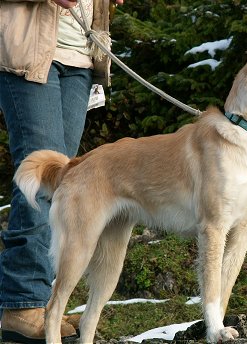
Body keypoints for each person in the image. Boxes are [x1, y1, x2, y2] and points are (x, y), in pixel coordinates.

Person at [0, 0, 123, 342]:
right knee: (39, 177)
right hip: (28, 50)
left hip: (79, 57)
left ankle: (43, 303)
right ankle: (21, 305)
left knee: (61, 182)